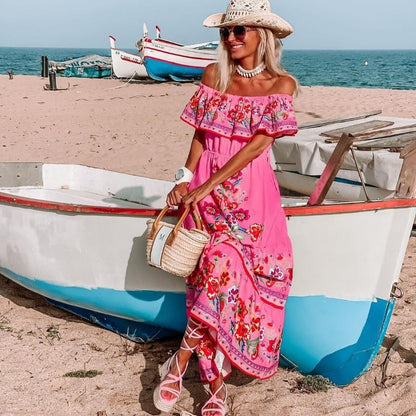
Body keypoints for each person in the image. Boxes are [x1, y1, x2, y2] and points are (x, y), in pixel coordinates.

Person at [153, 1, 298, 415]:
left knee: (223, 271)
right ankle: (215, 386)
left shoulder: (281, 85)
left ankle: (179, 361)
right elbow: (201, 133)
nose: (232, 38)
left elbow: (260, 145)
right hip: (204, 193)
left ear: (262, 36)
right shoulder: (214, 75)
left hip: (252, 199)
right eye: (226, 31)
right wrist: (185, 177)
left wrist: (209, 184)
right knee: (207, 279)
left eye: (241, 30)